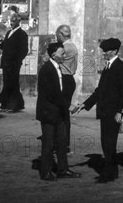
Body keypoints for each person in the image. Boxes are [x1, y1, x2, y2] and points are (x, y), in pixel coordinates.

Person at [73, 38, 123, 183]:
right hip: (105, 112)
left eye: (107, 51)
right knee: (106, 143)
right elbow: (99, 91)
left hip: (113, 113)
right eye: (103, 51)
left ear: (115, 51)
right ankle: (110, 171)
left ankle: (110, 173)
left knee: (110, 143)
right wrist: (85, 105)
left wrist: (119, 111)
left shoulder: (121, 68)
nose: (104, 53)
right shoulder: (108, 67)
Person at [36, 42, 81, 181]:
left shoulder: (58, 68)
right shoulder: (47, 70)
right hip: (49, 113)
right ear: (54, 55)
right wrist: (69, 106)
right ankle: (46, 172)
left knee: (62, 142)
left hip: (58, 112)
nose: (65, 56)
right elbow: (53, 94)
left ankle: (63, 169)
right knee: (49, 143)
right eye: (62, 53)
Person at [0, 11, 28, 112]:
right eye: (11, 21)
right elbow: (4, 44)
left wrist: (17, 62)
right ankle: (6, 104)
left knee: (13, 84)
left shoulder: (22, 34)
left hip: (14, 64)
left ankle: (13, 105)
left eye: (13, 21)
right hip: (5, 63)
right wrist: (0, 44)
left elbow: (24, 50)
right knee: (7, 83)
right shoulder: (9, 32)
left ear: (18, 21)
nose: (11, 23)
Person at [55, 24, 78, 151]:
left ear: (60, 35)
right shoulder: (73, 46)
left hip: (64, 79)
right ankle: (65, 141)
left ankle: (62, 141)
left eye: (57, 35)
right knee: (65, 112)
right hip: (70, 79)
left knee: (61, 112)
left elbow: (52, 58)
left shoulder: (63, 47)